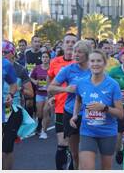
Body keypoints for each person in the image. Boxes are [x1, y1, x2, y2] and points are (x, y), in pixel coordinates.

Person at [70, 50, 124, 170]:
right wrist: (75, 115)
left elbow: (120, 114)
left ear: (104, 64)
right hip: (87, 132)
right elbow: (78, 99)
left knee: (106, 168)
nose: (95, 64)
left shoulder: (113, 85)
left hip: (108, 133)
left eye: (99, 61)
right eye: (92, 61)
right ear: (88, 64)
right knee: (87, 168)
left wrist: (104, 108)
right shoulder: (81, 83)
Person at [48, 40, 92, 169]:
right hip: (70, 112)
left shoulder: (94, 69)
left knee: (87, 151)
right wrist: (66, 89)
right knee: (74, 153)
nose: (76, 54)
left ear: (87, 54)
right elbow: (51, 88)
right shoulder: (68, 70)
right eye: (74, 51)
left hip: (89, 114)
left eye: (79, 52)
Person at [47, 33, 78, 170]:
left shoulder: (80, 63)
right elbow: (49, 81)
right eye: (68, 42)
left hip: (77, 109)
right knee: (62, 144)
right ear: (63, 45)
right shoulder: (55, 62)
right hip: (60, 107)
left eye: (73, 42)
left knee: (74, 147)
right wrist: (50, 97)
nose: (70, 44)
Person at [2, 41, 31, 170]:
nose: (2, 55)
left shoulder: (20, 70)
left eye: (5, 52)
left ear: (13, 54)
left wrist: (18, 90)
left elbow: (30, 93)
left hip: (12, 109)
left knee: (6, 148)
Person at [30, 51, 51, 139]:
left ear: (49, 58)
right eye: (43, 57)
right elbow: (31, 77)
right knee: (39, 113)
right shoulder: (37, 68)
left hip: (49, 94)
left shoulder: (51, 68)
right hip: (39, 93)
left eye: (46, 57)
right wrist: (35, 81)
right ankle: (39, 125)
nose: (45, 59)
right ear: (41, 58)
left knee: (46, 112)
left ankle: (44, 131)